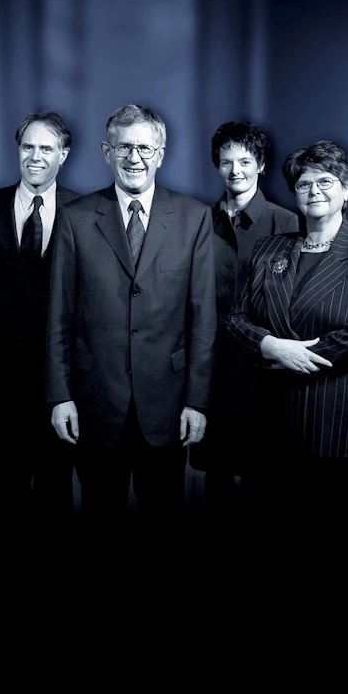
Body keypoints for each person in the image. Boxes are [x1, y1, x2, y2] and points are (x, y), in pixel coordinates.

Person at [46, 104, 216, 526]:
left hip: (168, 404)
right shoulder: (75, 219)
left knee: (165, 515)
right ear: (107, 152)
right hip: (96, 401)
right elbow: (58, 317)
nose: (134, 158)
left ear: (160, 152)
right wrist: (60, 395)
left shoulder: (194, 218)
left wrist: (197, 400)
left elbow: (203, 319)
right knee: (100, 514)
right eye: (124, 147)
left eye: (144, 147)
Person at [227, 141, 348, 538]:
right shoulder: (270, 248)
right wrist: (270, 346)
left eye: (326, 181)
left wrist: (290, 355)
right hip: (276, 421)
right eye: (304, 184)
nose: (315, 191)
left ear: (346, 190)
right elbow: (236, 318)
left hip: (346, 422)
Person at [188, 121, 298, 518]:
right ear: (216, 165)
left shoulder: (287, 223)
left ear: (261, 164)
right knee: (214, 471)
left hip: (265, 370)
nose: (236, 170)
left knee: (263, 476)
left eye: (245, 161)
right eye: (226, 161)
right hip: (212, 367)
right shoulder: (198, 220)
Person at [0, 111, 79, 523]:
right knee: (8, 486)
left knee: (56, 487)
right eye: (28, 147)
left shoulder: (86, 211)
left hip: (63, 377)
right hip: (2, 376)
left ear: (64, 153)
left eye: (46, 148)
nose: (35, 157)